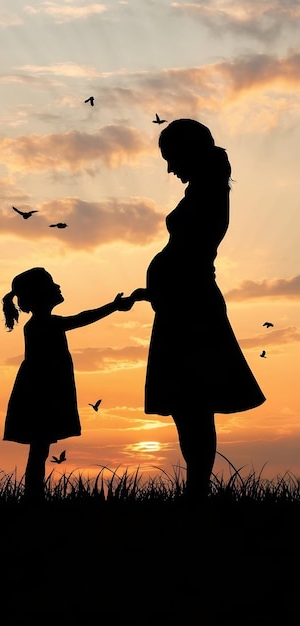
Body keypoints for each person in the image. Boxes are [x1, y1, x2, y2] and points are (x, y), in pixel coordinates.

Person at [131, 119, 266, 501]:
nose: (170, 169)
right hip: (181, 302)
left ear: (190, 152)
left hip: (191, 307)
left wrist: (167, 283)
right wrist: (154, 288)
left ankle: (196, 494)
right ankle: (196, 492)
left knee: (193, 401)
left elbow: (192, 254)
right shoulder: (204, 190)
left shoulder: (207, 193)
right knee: (188, 402)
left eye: (171, 158)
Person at [2, 267, 133, 502]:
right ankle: (33, 497)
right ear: (41, 294)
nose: (58, 286)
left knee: (40, 448)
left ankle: (34, 495)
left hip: (42, 390)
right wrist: (113, 307)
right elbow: (82, 318)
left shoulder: (39, 324)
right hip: (42, 393)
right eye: (52, 284)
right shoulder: (43, 324)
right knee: (40, 448)